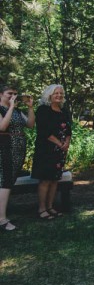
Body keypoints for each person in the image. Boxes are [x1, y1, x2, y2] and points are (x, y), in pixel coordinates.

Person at [32, 84, 72, 220]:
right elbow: (44, 132)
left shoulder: (64, 111)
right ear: (49, 95)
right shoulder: (43, 110)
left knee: (55, 179)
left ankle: (50, 207)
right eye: (56, 93)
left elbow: (69, 130)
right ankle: (42, 209)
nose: (59, 96)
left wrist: (67, 142)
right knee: (45, 180)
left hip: (60, 151)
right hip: (46, 150)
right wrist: (60, 143)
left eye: (61, 93)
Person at [0, 85, 35, 230]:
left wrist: (30, 108)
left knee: (9, 179)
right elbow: (2, 127)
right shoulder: (2, 109)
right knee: (5, 179)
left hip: (18, 150)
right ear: (1, 94)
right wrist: (11, 107)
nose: (13, 96)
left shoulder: (18, 111)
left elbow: (30, 125)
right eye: (10, 93)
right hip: (5, 148)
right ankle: (2, 219)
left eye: (15, 94)